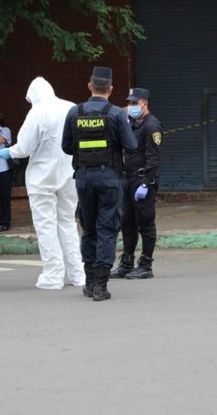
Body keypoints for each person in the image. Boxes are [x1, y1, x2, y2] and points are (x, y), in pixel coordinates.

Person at [0, 77, 85, 290]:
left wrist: (10, 152)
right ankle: (78, 273)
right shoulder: (72, 108)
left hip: (42, 177)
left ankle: (53, 275)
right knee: (67, 222)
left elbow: (25, 147)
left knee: (46, 224)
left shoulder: (37, 112)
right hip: (69, 173)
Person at [61, 67, 137, 301]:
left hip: (84, 179)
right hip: (110, 179)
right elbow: (131, 145)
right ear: (111, 89)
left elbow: (66, 147)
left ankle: (90, 281)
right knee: (107, 229)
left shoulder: (75, 112)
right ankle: (101, 287)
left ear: (89, 86)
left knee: (89, 229)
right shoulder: (115, 114)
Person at [110, 88, 163, 280]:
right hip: (128, 179)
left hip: (143, 181)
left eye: (134, 103)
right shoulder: (132, 124)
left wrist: (147, 183)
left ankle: (146, 265)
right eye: (129, 103)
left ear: (144, 104)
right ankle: (126, 263)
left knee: (146, 223)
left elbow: (154, 160)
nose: (131, 107)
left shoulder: (152, 126)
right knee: (128, 223)